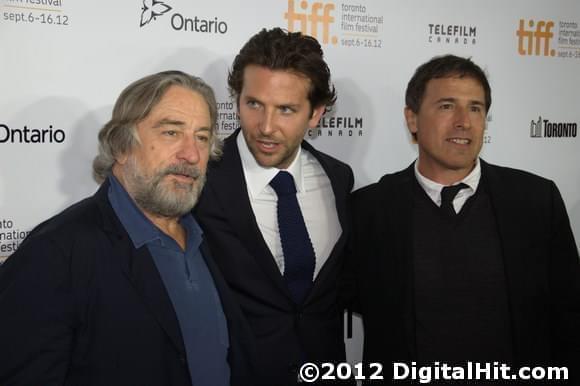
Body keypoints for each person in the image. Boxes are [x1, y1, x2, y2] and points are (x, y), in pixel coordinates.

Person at [0, 71, 254, 386]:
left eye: (202, 137)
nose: (191, 154)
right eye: (171, 133)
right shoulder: (54, 254)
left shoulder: (205, 236)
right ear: (121, 146)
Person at [349, 55, 580, 384]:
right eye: (446, 106)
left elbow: (569, 316)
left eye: (475, 108)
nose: (464, 122)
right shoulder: (369, 209)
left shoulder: (536, 200)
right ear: (412, 119)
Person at [195, 28, 353, 385]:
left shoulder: (338, 178)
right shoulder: (202, 178)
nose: (265, 127)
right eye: (254, 104)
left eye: (285, 110)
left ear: (315, 114)